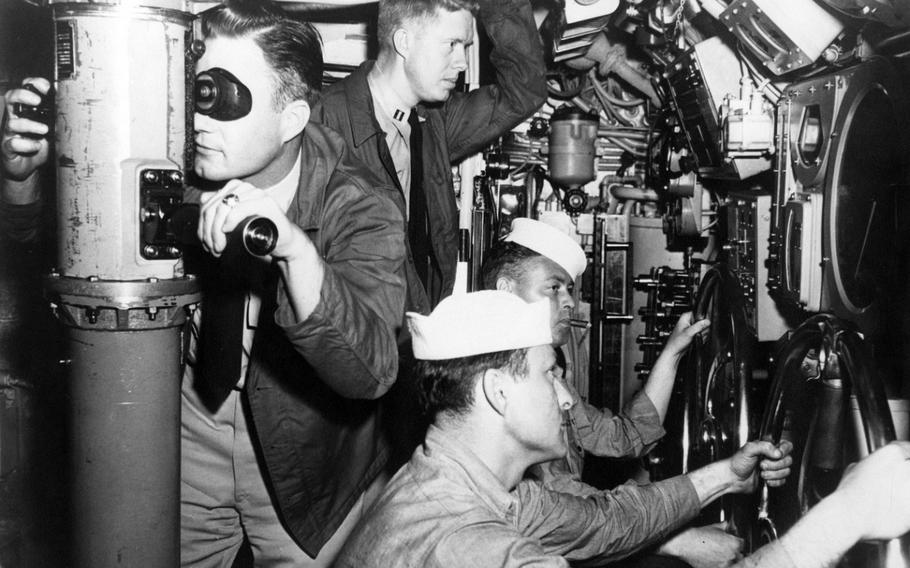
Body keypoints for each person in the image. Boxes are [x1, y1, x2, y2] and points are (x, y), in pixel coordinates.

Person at [179, 1, 406, 566]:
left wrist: (297, 251)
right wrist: (20, 181)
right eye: (197, 92)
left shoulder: (362, 203)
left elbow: (371, 369)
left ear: (291, 119)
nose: (200, 119)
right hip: (188, 432)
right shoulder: (172, 160)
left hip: (310, 461)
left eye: (225, 96)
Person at [335, 290, 795, 567]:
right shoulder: (480, 549)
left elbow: (607, 520)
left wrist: (726, 477)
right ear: (499, 392)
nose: (565, 396)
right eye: (550, 374)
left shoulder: (468, 484)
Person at [483, 217, 745, 567]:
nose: (569, 303)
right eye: (554, 288)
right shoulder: (503, 388)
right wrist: (676, 541)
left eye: (570, 290)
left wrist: (672, 353)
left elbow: (623, 437)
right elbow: (569, 515)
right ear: (506, 290)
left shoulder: (550, 372)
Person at [313, 0, 547, 312]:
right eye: (451, 45)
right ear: (404, 42)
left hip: (414, 338)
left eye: (464, 47)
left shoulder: (434, 122)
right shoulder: (322, 125)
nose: (462, 63)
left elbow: (524, 90)